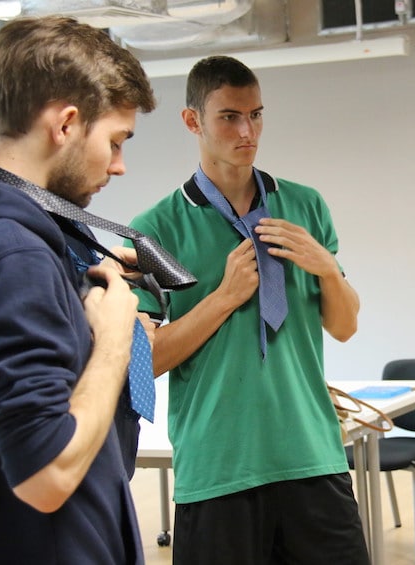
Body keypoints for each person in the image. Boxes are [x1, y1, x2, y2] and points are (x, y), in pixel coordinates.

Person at [128, 55, 370, 564]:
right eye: (230, 117)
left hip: (312, 457)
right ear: (192, 121)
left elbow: (344, 327)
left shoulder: (305, 206)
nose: (247, 130)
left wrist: (327, 269)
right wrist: (222, 298)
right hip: (218, 470)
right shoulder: (157, 228)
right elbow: (141, 363)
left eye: (256, 114)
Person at [0, 15, 157, 564]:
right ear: (67, 124)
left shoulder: (22, 238)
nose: (120, 166)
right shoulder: (15, 256)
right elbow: (46, 474)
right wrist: (115, 339)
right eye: (116, 141)